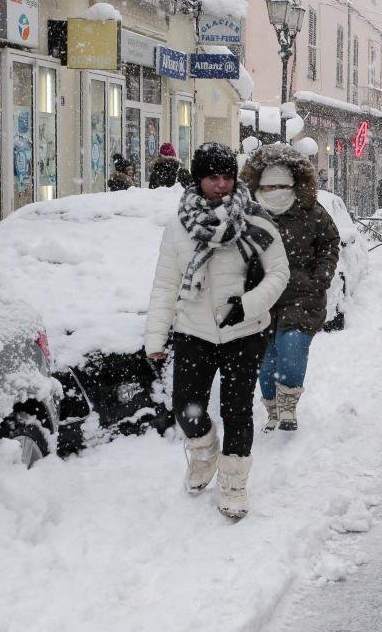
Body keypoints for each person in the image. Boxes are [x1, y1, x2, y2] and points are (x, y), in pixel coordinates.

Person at [144, 142, 290, 519]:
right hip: (194, 331)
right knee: (187, 408)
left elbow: (279, 273)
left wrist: (247, 305)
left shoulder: (254, 220)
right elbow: (165, 285)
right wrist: (156, 336)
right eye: (213, 178)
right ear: (199, 179)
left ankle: (234, 484)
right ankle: (205, 454)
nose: (222, 185)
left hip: (244, 332)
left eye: (228, 177)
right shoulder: (179, 227)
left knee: (236, 409)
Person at [240, 143, 340, 433]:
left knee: (292, 347)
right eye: (270, 187)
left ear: (295, 183)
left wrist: (320, 277)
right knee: (266, 358)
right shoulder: (249, 213)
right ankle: (271, 407)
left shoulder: (310, 210)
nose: (276, 192)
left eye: (283, 185)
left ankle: (288, 407)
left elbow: (330, 243)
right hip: (261, 296)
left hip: (302, 295)